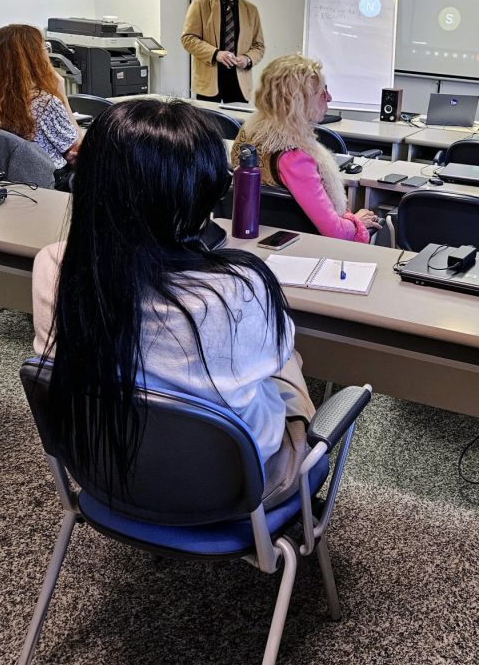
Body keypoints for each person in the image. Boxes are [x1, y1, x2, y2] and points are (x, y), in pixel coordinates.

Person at [32, 99, 315, 508]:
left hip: (103, 468)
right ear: (204, 196)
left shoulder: (54, 265)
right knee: (289, 364)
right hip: (235, 488)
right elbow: (278, 352)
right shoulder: (241, 290)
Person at [231, 53, 381, 241]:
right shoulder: (295, 158)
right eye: (322, 93)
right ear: (300, 102)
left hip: (258, 241)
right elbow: (336, 232)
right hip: (304, 248)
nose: (330, 98)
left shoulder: (247, 136)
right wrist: (356, 222)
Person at [0, 23, 80, 168]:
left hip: (11, 182)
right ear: (35, 57)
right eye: (44, 49)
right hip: (51, 182)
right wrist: (62, 97)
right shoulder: (45, 103)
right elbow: (78, 152)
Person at [181, 0, 265, 103]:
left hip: (239, 85)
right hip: (208, 84)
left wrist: (248, 59)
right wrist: (216, 54)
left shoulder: (251, 10)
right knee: (207, 125)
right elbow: (188, 39)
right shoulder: (200, 4)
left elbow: (259, 46)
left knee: (236, 125)